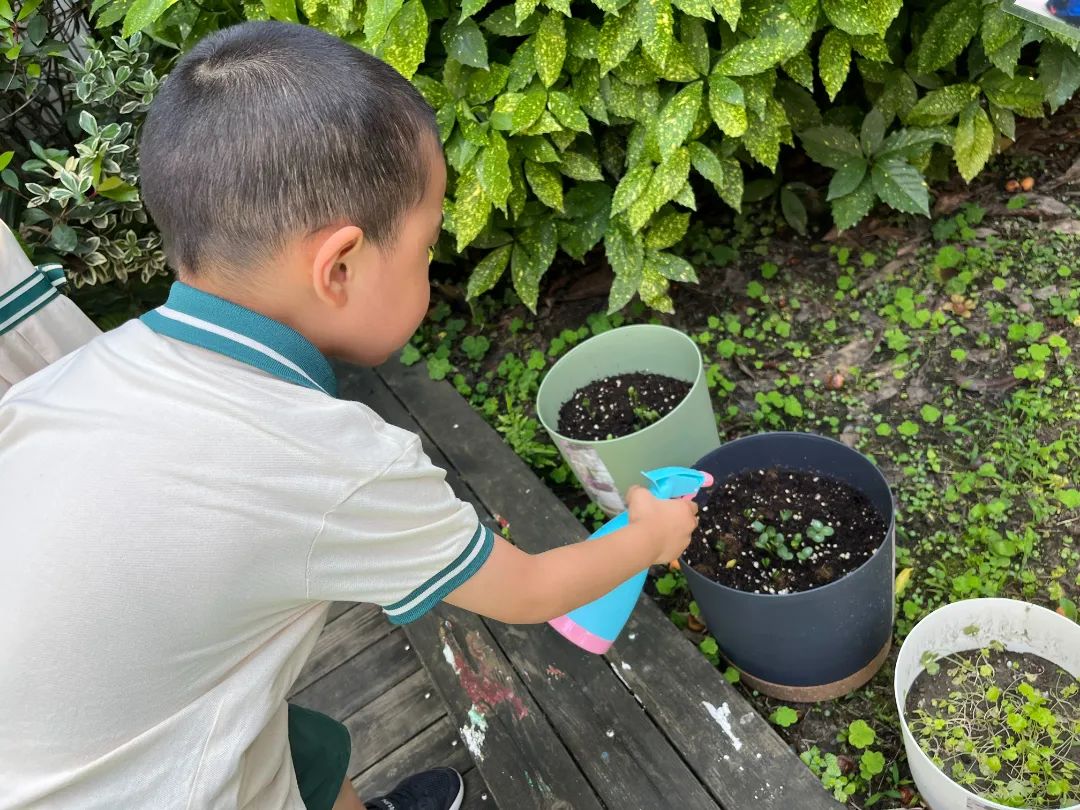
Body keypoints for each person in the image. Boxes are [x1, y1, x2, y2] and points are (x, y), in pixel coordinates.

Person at [0, 20, 699, 810]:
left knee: (293, 742)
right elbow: (531, 590)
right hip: (139, 786)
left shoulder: (73, 378)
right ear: (340, 266)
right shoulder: (331, 459)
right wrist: (651, 534)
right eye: (427, 249)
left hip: (82, 712)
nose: (432, 271)